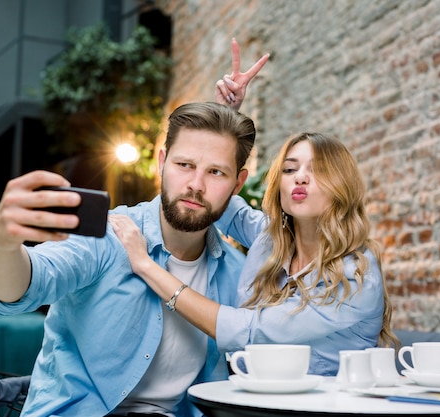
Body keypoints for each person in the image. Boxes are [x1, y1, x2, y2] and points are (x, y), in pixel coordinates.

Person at [108, 41, 399, 377]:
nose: (300, 178)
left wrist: (146, 266)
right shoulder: (269, 236)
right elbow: (213, 190)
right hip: (256, 399)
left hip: (326, 408)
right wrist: (225, 119)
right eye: (290, 170)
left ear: (342, 186)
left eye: (317, 171)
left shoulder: (356, 276)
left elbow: (246, 332)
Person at [0, 101, 261, 417]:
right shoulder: (105, 236)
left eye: (215, 172)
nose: (196, 185)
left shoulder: (238, 274)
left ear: (237, 184)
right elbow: (19, 288)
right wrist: (2, 243)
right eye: (185, 165)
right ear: (162, 162)